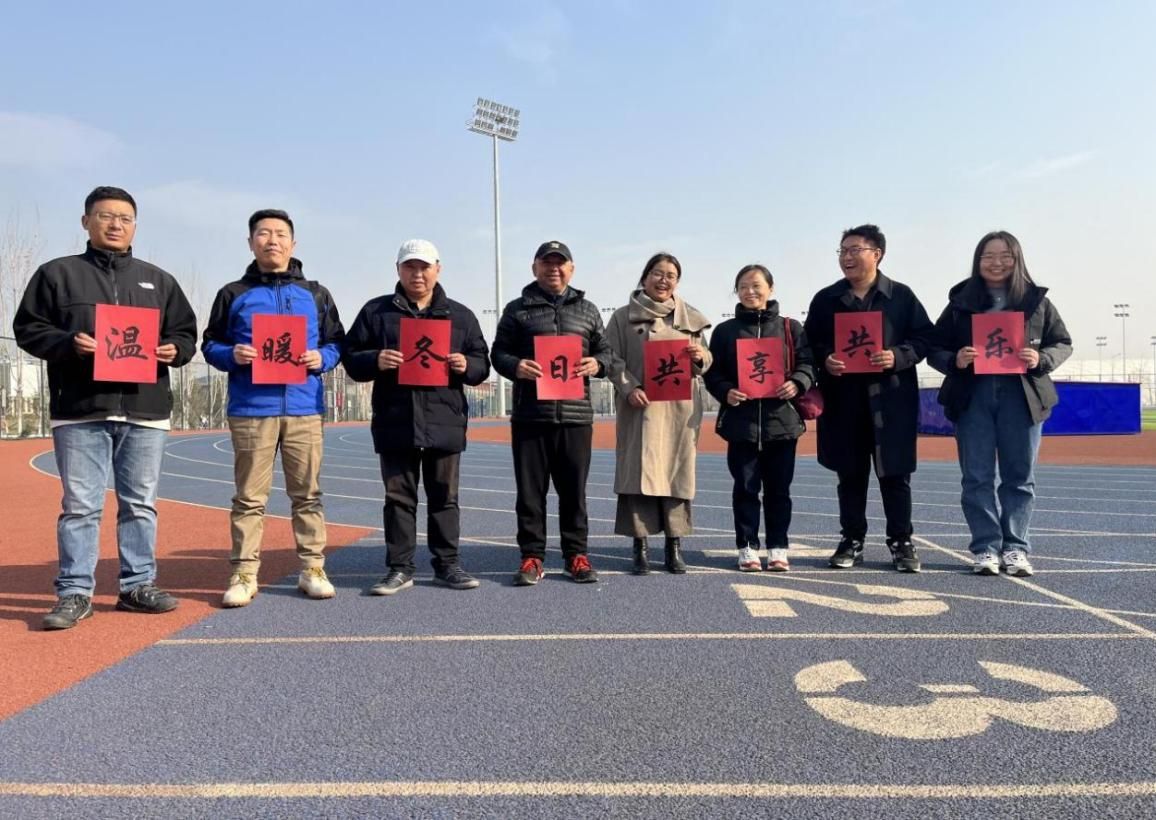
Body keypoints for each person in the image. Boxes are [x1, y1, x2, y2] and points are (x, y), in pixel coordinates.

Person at [13, 186, 198, 630]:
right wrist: (68, 343)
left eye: (125, 218)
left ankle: (137, 586)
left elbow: (186, 334)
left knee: (141, 504)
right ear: (86, 222)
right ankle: (75, 593)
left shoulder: (159, 281)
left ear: (135, 225)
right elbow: (28, 328)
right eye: (105, 216)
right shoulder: (57, 274)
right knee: (80, 506)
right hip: (81, 409)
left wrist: (175, 349)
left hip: (145, 409)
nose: (116, 225)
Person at [201, 209, 345, 607]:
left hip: (304, 408)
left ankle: (312, 568)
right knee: (249, 498)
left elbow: (337, 342)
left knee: (307, 494)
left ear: (293, 243)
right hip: (252, 409)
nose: (272, 240)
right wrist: (232, 354)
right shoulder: (233, 294)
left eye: (280, 233)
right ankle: (244, 573)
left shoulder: (316, 294)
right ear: (251, 243)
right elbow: (209, 344)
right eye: (263, 233)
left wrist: (322, 358)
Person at [342, 239, 491, 594]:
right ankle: (399, 568)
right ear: (398, 270)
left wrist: (466, 365)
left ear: (438, 269)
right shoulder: (376, 312)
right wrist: (375, 359)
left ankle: (448, 565)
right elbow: (350, 357)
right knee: (398, 499)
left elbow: (482, 364)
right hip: (396, 419)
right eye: (410, 266)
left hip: (444, 420)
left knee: (445, 497)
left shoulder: (460, 316)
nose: (418, 273)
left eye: (424, 266)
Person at [927, 231, 1071, 576]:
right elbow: (933, 347)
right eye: (988, 256)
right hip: (972, 396)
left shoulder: (1037, 302)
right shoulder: (960, 302)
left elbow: (1062, 342)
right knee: (976, 477)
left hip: (1022, 397)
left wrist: (1041, 358)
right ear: (978, 261)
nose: (996, 263)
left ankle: (1016, 548)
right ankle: (985, 548)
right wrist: (955, 359)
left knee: (1019, 476)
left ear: (1017, 260)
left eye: (1005, 256)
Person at [804, 224, 935, 573]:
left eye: (855, 250)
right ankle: (852, 539)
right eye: (843, 251)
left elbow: (925, 338)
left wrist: (898, 356)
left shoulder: (901, 297)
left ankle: (901, 541)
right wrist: (825, 359)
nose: (847, 257)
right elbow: (808, 345)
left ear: (877, 254)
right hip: (844, 401)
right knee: (850, 475)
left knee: (895, 475)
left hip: (891, 401)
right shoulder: (826, 299)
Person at [491, 240, 616, 585]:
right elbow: (498, 353)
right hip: (531, 417)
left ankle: (576, 555)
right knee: (530, 494)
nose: (554, 269)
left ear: (571, 269)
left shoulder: (588, 310)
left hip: (576, 418)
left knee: (574, 493)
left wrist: (597, 364)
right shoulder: (517, 310)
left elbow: (607, 352)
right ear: (535, 268)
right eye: (547, 263)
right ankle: (531, 557)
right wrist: (516, 366)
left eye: (561, 263)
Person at [605, 252, 712, 575]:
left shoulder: (690, 318)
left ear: (677, 282)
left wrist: (700, 356)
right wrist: (629, 387)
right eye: (657, 273)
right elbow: (611, 359)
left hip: (679, 411)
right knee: (638, 474)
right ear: (644, 277)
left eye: (671, 275)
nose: (663, 280)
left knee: (676, 474)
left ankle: (674, 545)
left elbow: (706, 359)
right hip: (639, 407)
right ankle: (640, 547)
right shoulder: (622, 317)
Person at [704, 264, 815, 572]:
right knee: (745, 488)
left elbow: (808, 363)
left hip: (782, 423)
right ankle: (748, 548)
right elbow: (712, 373)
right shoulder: (725, 331)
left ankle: (778, 547)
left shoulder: (791, 328)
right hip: (741, 424)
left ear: (771, 288)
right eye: (743, 286)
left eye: (756, 285)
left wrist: (798, 383)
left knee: (779, 491)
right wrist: (725, 391)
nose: (749, 291)